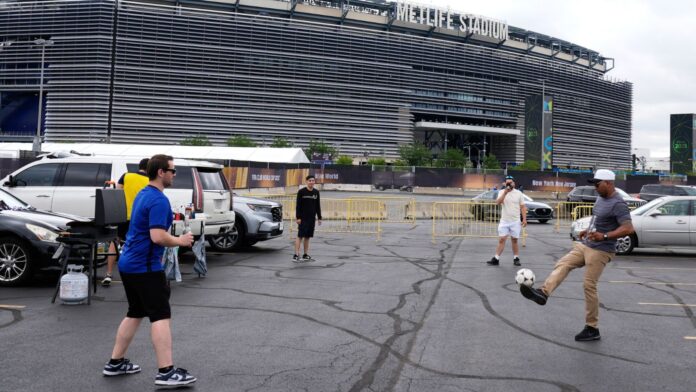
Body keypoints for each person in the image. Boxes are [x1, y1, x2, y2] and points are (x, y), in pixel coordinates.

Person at [102, 154, 197, 387]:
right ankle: (166, 372)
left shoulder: (144, 194)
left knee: (135, 312)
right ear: (161, 172)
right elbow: (157, 236)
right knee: (161, 315)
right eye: (172, 171)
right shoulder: (158, 200)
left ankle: (115, 363)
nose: (174, 174)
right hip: (144, 267)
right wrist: (181, 240)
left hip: (129, 264)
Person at [519, 169, 634, 342]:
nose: (595, 187)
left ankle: (592, 328)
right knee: (563, 263)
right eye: (594, 184)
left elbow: (628, 228)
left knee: (589, 285)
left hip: (602, 249)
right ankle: (543, 293)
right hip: (588, 244)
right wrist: (588, 231)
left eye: (597, 184)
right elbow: (601, 221)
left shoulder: (618, 203)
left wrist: (604, 236)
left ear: (609, 183)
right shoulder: (601, 198)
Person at [102, 158, 149, 287]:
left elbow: (117, 192)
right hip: (139, 218)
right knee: (137, 244)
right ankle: (136, 275)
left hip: (123, 216)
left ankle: (109, 274)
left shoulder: (126, 176)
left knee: (114, 241)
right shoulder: (150, 181)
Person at [487, 175, 526, 266]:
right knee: (502, 239)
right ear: (505, 183)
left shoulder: (519, 193)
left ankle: (516, 258)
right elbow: (498, 202)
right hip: (504, 220)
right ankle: (496, 258)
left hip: (515, 221)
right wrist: (505, 192)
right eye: (508, 182)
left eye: (511, 182)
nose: (509, 184)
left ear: (514, 183)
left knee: (514, 240)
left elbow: (523, 207)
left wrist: (524, 219)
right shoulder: (501, 192)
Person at [294, 174, 322, 262]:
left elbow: (318, 206)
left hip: (311, 218)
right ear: (306, 182)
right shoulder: (301, 192)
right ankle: (296, 254)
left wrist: (319, 217)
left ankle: (305, 254)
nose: (311, 182)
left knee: (307, 237)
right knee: (300, 236)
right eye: (309, 180)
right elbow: (298, 205)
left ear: (314, 182)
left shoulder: (316, 192)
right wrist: (298, 217)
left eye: (313, 180)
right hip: (303, 218)